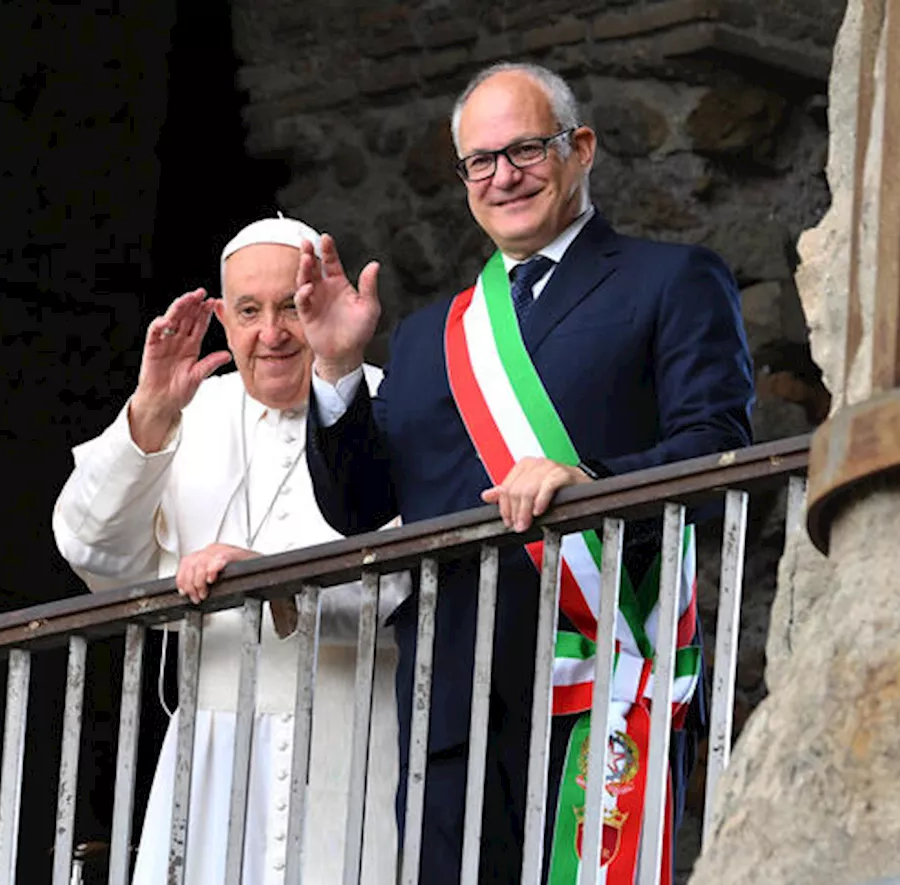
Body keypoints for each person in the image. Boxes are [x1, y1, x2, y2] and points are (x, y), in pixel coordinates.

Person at [297, 62, 754, 884]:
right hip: (455, 697)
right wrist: (335, 371)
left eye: (527, 150)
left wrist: (596, 484)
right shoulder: (436, 331)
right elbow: (360, 507)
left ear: (581, 148)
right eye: (481, 160)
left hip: (606, 681)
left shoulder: (672, 279)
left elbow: (717, 450)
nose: (503, 176)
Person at [51, 216, 404, 885]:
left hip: (349, 743)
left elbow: (402, 586)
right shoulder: (190, 413)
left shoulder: (386, 402)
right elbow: (92, 551)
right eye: (248, 310)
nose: (270, 334)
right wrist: (150, 412)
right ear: (220, 315)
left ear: (325, 300)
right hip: (211, 751)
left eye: (293, 307)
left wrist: (275, 583)